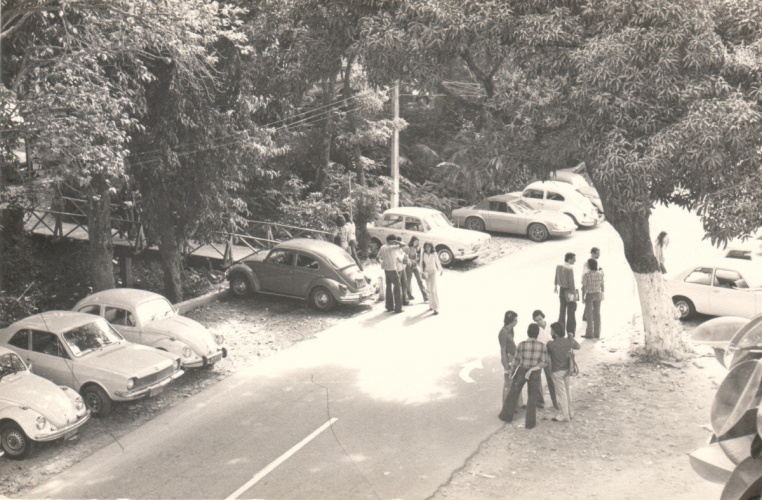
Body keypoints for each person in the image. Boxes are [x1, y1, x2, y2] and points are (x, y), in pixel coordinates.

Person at [499, 323, 547, 429]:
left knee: (513, 393)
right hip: (535, 373)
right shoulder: (542, 346)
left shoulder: (521, 344)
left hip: (522, 371)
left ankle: (506, 416)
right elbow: (543, 362)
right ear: (537, 334)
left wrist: (511, 372)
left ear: (528, 333)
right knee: (532, 397)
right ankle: (530, 423)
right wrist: (534, 369)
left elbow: (516, 361)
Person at [546, 322, 580, 422]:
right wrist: (571, 337)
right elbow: (578, 346)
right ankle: (570, 412)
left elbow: (546, 356)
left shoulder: (550, 344)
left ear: (555, 333)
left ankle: (564, 415)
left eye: (551, 331)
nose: (550, 333)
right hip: (567, 369)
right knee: (567, 391)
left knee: (561, 394)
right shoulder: (568, 341)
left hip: (556, 371)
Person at [532, 310, 558, 410]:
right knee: (537, 378)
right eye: (536, 320)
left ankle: (555, 402)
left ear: (543, 317)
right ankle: (540, 402)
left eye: (540, 319)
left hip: (550, 355)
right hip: (538, 355)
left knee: (551, 378)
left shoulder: (551, 325)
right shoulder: (535, 329)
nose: (539, 322)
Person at [498, 310, 522, 407]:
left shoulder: (510, 330)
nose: (517, 322)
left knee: (516, 381)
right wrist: (505, 365)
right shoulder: (503, 333)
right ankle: (507, 406)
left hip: (514, 357)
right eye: (515, 320)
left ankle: (519, 404)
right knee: (508, 383)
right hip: (509, 358)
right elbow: (503, 350)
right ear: (511, 321)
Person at [377, 235, 404, 313]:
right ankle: (398, 308)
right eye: (394, 241)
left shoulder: (383, 247)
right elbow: (403, 245)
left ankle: (389, 306)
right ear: (391, 241)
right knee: (397, 288)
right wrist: (397, 241)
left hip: (386, 270)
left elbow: (377, 257)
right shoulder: (391, 248)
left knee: (388, 287)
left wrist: (383, 263)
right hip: (393, 269)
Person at [554, 252, 578, 336]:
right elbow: (571, 283)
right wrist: (574, 293)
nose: (575, 260)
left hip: (561, 290)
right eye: (574, 259)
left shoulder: (559, 266)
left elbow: (556, 277)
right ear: (569, 259)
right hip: (569, 291)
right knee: (571, 312)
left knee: (562, 311)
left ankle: (560, 331)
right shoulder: (570, 269)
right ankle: (571, 332)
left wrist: (555, 286)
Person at [582, 258, 605, 339]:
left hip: (590, 295)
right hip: (598, 294)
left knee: (589, 314)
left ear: (589, 266)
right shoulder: (600, 274)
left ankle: (589, 334)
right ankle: (597, 333)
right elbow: (602, 285)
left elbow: (584, 287)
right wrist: (602, 294)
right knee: (597, 314)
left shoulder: (586, 275)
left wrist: (582, 296)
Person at [403, 236, 428, 302]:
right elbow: (406, 258)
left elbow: (418, 258)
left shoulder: (417, 248)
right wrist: (413, 260)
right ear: (412, 241)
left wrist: (417, 259)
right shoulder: (407, 248)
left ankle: (425, 296)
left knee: (420, 280)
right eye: (415, 242)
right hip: (409, 267)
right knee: (409, 281)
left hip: (415, 266)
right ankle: (409, 295)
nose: (416, 243)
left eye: (417, 242)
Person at [420, 242, 443, 315]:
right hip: (426, 272)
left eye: (429, 247)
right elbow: (420, 263)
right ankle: (431, 304)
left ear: (431, 247)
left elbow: (438, 262)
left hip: (433, 272)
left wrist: (441, 269)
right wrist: (421, 272)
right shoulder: (423, 254)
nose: (427, 248)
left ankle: (436, 308)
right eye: (426, 247)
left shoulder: (434, 254)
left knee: (433, 289)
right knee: (429, 289)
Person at [582, 247, 601, 321]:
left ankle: (586, 316)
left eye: (599, 253)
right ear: (592, 253)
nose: (598, 255)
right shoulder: (588, 263)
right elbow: (584, 273)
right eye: (597, 253)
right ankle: (586, 316)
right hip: (589, 283)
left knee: (590, 300)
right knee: (590, 300)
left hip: (593, 283)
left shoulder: (595, 261)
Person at [394, 237, 411, 306]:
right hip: (397, 269)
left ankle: (405, 301)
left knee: (404, 285)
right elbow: (400, 260)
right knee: (398, 287)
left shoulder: (400, 250)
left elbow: (404, 260)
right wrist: (404, 254)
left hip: (402, 268)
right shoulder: (395, 251)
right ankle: (398, 303)